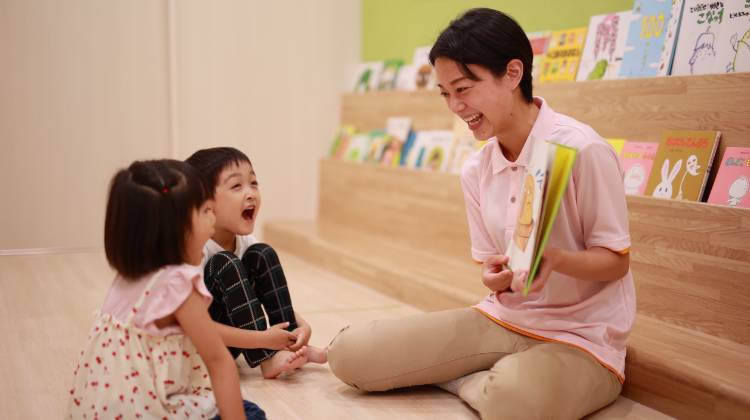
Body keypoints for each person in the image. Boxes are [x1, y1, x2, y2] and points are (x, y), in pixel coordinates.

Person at [327, 8, 634, 420]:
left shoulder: (583, 149)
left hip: (582, 340)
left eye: (464, 88)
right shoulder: (477, 167)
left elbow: (616, 262)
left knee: (513, 401)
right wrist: (495, 275)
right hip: (502, 320)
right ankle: (481, 378)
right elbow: (491, 264)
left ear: (512, 73)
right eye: (444, 93)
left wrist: (555, 260)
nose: (455, 106)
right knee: (349, 355)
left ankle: (471, 379)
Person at [66, 159, 265, 419]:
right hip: (151, 411)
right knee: (250, 412)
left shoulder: (127, 279)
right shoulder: (177, 285)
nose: (213, 218)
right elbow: (220, 362)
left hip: (104, 411)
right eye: (206, 211)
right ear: (178, 228)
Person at [186, 147, 327, 380]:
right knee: (225, 264)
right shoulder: (194, 250)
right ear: (205, 202)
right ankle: (268, 358)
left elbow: (265, 294)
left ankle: (291, 345)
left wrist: (303, 326)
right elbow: (197, 326)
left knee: (262, 253)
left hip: (237, 343)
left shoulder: (245, 241)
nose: (251, 193)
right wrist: (263, 340)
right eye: (236, 186)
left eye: (253, 183)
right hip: (202, 351)